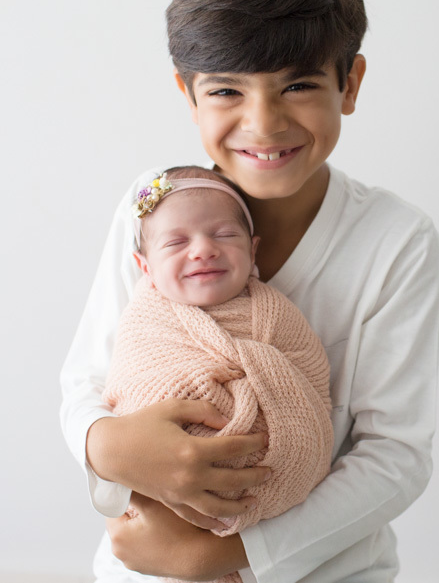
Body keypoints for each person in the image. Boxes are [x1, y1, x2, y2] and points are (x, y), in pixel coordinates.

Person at [60, 0, 439, 583]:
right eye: (227, 89)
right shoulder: (150, 208)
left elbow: (395, 456)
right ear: (187, 93)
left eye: (297, 85)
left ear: (349, 83)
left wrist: (226, 555)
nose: (263, 123)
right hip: (146, 566)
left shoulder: (394, 240)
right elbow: (87, 382)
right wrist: (110, 443)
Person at [105, 165, 335, 583]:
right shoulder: (146, 318)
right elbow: (130, 390)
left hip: (275, 493)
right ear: (145, 266)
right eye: (176, 242)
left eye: (224, 235)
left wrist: (259, 373)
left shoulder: (275, 311)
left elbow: (312, 377)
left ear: (253, 251)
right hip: (166, 496)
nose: (202, 250)